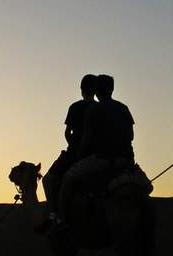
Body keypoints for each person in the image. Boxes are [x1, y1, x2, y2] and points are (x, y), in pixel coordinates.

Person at [55, 74, 134, 227]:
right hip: (126, 160)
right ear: (112, 89)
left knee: (68, 178)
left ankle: (61, 220)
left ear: (97, 91)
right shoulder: (124, 108)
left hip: (103, 159)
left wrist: (79, 153)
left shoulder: (93, 110)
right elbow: (131, 136)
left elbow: (87, 139)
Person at [41, 74, 97, 224]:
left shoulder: (75, 107)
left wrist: (73, 145)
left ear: (81, 89)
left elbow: (67, 133)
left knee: (48, 180)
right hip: (97, 155)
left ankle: (54, 215)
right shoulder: (100, 108)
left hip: (74, 153)